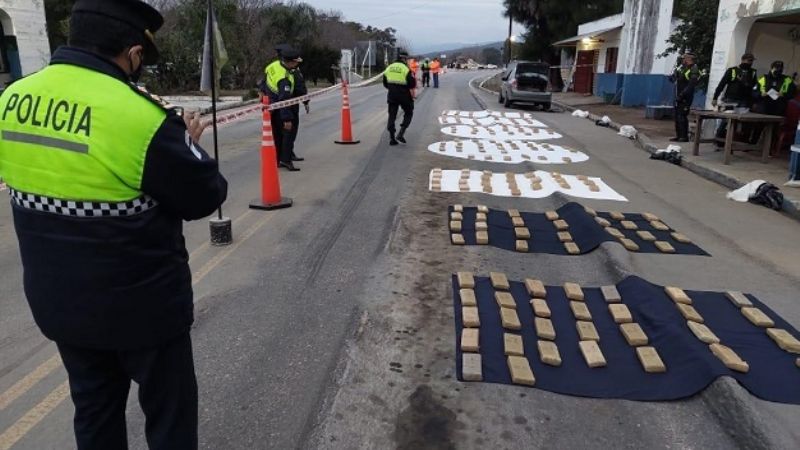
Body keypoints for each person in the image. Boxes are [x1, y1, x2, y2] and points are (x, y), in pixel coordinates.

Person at [0, 1, 228, 448]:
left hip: (60, 305)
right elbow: (205, 196)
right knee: (169, 418)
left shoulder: (11, 99)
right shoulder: (140, 116)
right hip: (143, 311)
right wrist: (186, 143)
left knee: (94, 411)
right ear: (134, 53)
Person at [262, 47, 303, 171]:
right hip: (280, 108)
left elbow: (264, 81)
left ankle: (278, 159)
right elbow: (284, 99)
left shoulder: (273, 65)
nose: (297, 63)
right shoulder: (284, 78)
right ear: (290, 62)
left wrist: (262, 92)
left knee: (277, 135)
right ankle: (285, 160)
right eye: (296, 61)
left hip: (271, 107)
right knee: (287, 135)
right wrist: (287, 119)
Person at [711, 53, 758, 147]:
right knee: (726, 121)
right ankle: (719, 140)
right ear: (743, 60)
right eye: (749, 60)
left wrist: (753, 101)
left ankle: (732, 142)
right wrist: (715, 98)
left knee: (740, 122)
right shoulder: (732, 70)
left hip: (744, 100)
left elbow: (754, 87)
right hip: (730, 99)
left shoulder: (753, 72)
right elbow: (722, 84)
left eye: (752, 61)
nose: (750, 63)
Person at [754, 60, 796, 152]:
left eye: (780, 68)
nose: (778, 70)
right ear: (771, 68)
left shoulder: (787, 79)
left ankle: (769, 150)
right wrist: (761, 94)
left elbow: (793, 94)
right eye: (776, 68)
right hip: (763, 108)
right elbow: (754, 92)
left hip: (778, 109)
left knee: (774, 130)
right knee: (758, 128)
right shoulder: (763, 78)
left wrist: (784, 95)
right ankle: (752, 147)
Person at [383, 51, 417, 146]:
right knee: (409, 112)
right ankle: (401, 134)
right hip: (404, 95)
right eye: (407, 59)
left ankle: (392, 138)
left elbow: (385, 83)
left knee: (392, 115)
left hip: (392, 95)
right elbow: (412, 84)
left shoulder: (389, 67)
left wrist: (392, 88)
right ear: (404, 59)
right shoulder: (405, 69)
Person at [668, 51, 701, 142]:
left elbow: (691, 85)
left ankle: (684, 136)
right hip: (678, 95)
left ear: (688, 59)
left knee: (682, 115)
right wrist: (673, 76)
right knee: (677, 116)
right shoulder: (683, 69)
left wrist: (682, 95)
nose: (682, 60)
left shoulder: (694, 69)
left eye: (684, 58)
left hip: (686, 97)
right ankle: (678, 135)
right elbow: (676, 79)